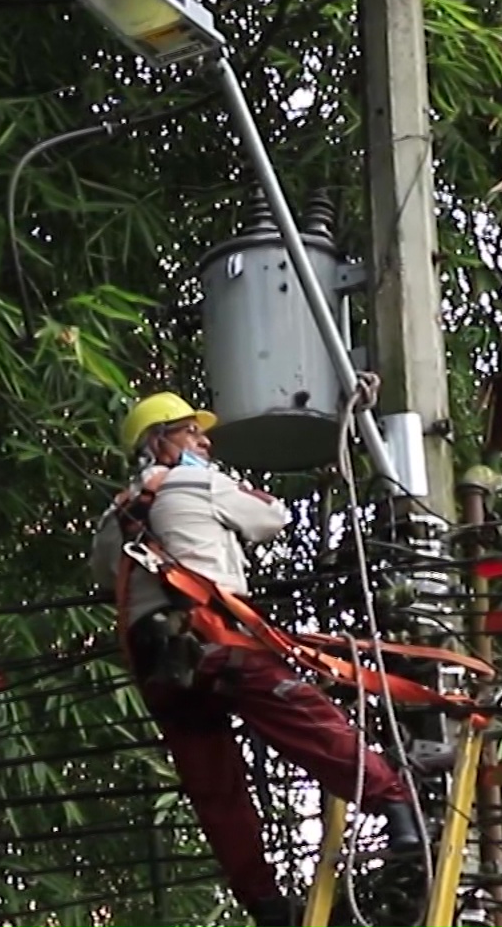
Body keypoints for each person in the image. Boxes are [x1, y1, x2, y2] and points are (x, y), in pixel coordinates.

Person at [88, 392, 425, 927]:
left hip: (161, 671)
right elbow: (273, 516)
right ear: (161, 443)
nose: (205, 441)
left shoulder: (113, 518)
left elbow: (106, 577)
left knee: (213, 786)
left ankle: (265, 904)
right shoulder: (196, 481)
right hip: (216, 642)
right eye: (191, 433)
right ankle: (397, 809)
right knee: (306, 721)